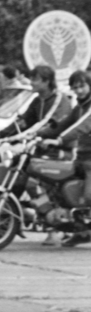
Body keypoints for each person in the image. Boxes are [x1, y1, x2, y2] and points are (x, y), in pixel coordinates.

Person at [48, 71, 91, 246]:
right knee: (66, 193)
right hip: (80, 157)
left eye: (82, 86)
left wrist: (59, 139)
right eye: (75, 87)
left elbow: (81, 127)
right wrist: (39, 135)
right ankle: (82, 232)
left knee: (89, 196)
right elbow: (63, 124)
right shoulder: (78, 107)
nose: (79, 90)